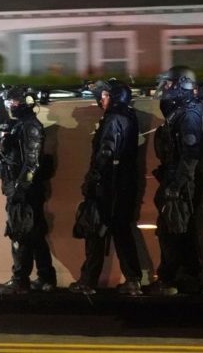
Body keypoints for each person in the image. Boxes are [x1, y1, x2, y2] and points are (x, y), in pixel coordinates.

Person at [70, 80, 143, 295]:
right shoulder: (129, 116)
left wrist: (92, 180)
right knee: (121, 232)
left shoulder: (113, 119)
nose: (101, 99)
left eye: (104, 96)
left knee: (95, 231)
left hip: (108, 186)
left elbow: (105, 153)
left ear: (115, 97)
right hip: (123, 185)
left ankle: (88, 281)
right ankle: (133, 280)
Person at [0, 86, 57, 294]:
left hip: (24, 191)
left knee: (19, 235)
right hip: (23, 189)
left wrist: (19, 191)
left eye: (14, 101)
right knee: (35, 235)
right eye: (9, 102)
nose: (11, 105)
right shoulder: (20, 124)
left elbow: (31, 163)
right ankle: (46, 278)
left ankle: (20, 280)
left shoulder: (30, 126)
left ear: (26, 102)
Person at [150, 65, 203, 296]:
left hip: (181, 181)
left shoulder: (189, 114)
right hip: (174, 177)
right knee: (176, 229)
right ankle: (185, 276)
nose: (166, 88)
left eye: (170, 83)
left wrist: (177, 184)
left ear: (183, 84)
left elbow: (191, 154)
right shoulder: (179, 111)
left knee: (172, 230)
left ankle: (171, 279)